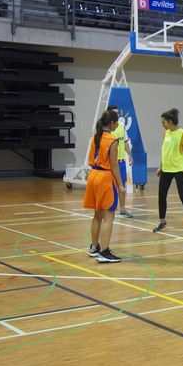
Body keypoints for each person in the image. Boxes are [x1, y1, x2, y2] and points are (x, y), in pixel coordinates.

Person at [83, 110, 124, 263]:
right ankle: (105, 252)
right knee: (108, 217)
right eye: (116, 122)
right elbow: (114, 165)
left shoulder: (95, 138)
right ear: (112, 123)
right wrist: (120, 184)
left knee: (97, 215)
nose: (118, 124)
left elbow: (91, 159)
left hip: (93, 175)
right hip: (105, 178)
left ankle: (95, 247)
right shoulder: (112, 140)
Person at [153, 109, 183, 237]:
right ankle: (162, 221)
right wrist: (160, 166)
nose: (162, 124)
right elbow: (165, 151)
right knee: (161, 196)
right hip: (166, 169)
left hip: (179, 169)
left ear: (170, 121)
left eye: (163, 122)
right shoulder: (166, 133)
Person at [107, 105, 134, 219]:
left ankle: (122, 209)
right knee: (110, 187)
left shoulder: (122, 126)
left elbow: (126, 142)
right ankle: (109, 210)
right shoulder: (107, 129)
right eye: (114, 113)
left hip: (121, 162)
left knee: (121, 186)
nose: (117, 115)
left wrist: (130, 156)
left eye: (118, 113)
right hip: (110, 163)